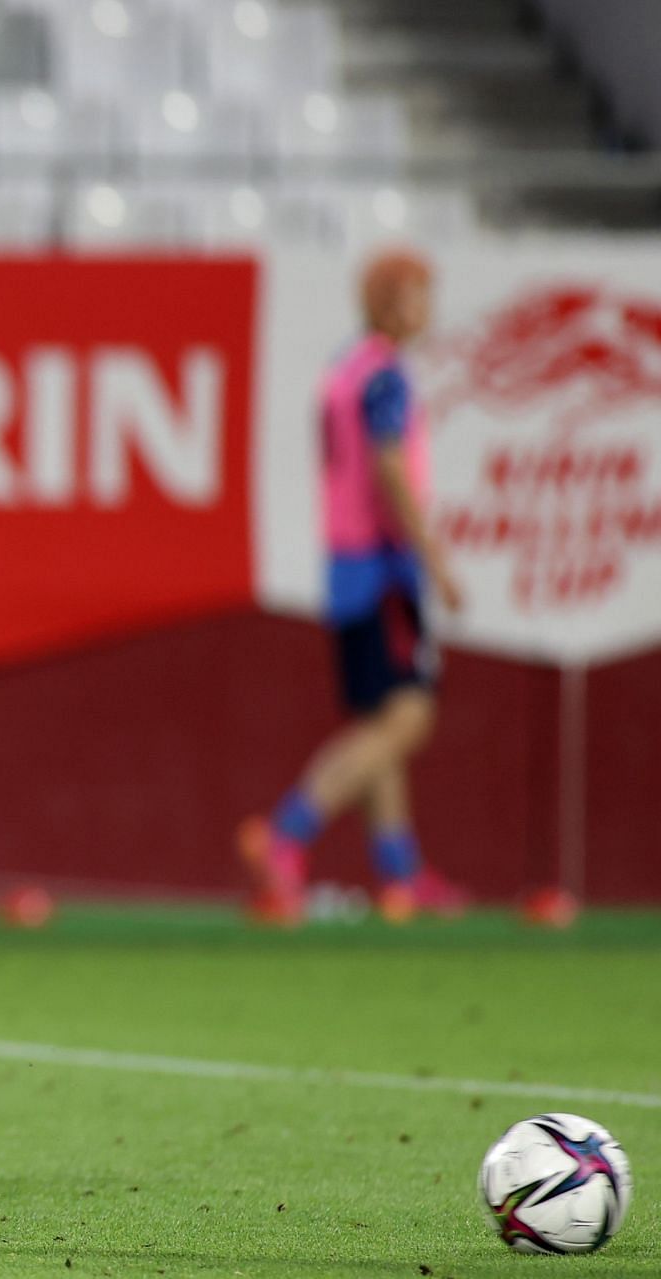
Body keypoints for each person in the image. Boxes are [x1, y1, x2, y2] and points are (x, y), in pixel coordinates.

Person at [239, 248, 469, 927]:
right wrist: (434, 559)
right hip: (384, 564)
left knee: (380, 725)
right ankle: (286, 830)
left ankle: (400, 872)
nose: (429, 309)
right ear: (391, 300)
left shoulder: (344, 370)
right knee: (409, 718)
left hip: (345, 565)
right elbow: (391, 466)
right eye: (420, 295)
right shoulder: (385, 377)